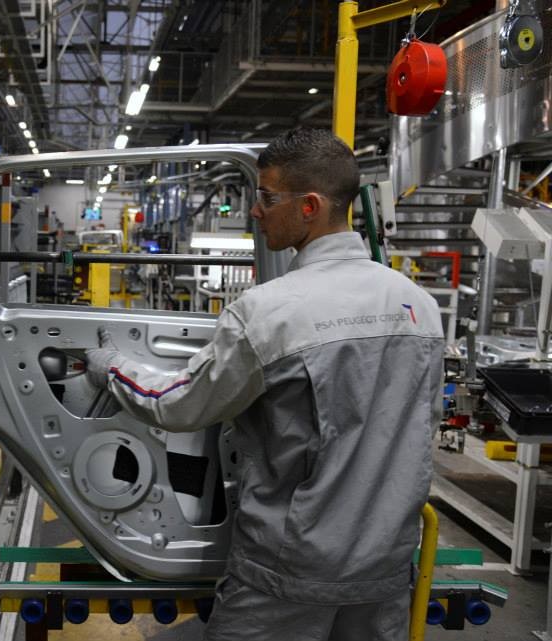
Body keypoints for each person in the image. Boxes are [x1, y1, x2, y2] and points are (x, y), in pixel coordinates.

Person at [86, 127, 444, 641]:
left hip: (289, 572)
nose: (255, 211)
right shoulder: (420, 307)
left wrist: (110, 364)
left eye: (267, 197)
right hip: (384, 568)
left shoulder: (269, 313)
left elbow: (179, 406)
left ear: (310, 206)